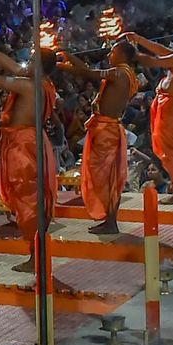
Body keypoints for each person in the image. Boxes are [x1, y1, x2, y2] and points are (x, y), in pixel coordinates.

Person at [0, 36, 58, 273]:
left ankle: (36, 257)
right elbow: (15, 67)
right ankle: (37, 254)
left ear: (39, 66)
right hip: (30, 142)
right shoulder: (46, 85)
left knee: (29, 203)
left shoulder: (29, 85)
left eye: (32, 60)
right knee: (33, 201)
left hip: (23, 146)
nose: (27, 63)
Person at [56, 40, 139, 233]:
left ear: (123, 55)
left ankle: (111, 222)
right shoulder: (126, 74)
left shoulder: (119, 73)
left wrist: (61, 64)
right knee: (108, 176)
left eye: (113, 51)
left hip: (106, 130)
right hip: (108, 128)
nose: (110, 55)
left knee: (105, 177)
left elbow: (88, 73)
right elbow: (89, 71)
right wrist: (69, 57)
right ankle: (109, 220)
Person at [128, 30, 173, 204]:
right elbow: (162, 51)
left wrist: (131, 52)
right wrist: (139, 39)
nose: (172, 43)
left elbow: (153, 61)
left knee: (172, 151)